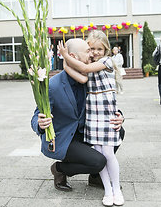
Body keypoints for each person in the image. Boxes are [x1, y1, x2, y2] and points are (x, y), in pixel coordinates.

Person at [30, 38, 124, 196]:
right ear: (73, 56)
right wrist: (40, 123)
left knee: (118, 132)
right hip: (64, 138)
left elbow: (105, 101)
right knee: (99, 161)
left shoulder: (90, 78)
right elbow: (35, 116)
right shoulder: (53, 85)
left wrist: (120, 116)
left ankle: (95, 177)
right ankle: (59, 169)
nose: (92, 55)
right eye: (88, 51)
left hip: (85, 133)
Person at [58, 31, 124, 207]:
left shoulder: (106, 62)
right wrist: (66, 65)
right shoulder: (92, 65)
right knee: (100, 153)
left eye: (99, 49)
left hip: (106, 114)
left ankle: (116, 188)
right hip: (93, 116)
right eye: (91, 48)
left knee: (108, 153)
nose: (95, 52)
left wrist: (65, 56)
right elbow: (82, 76)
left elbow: (85, 69)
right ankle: (108, 192)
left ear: (106, 50)